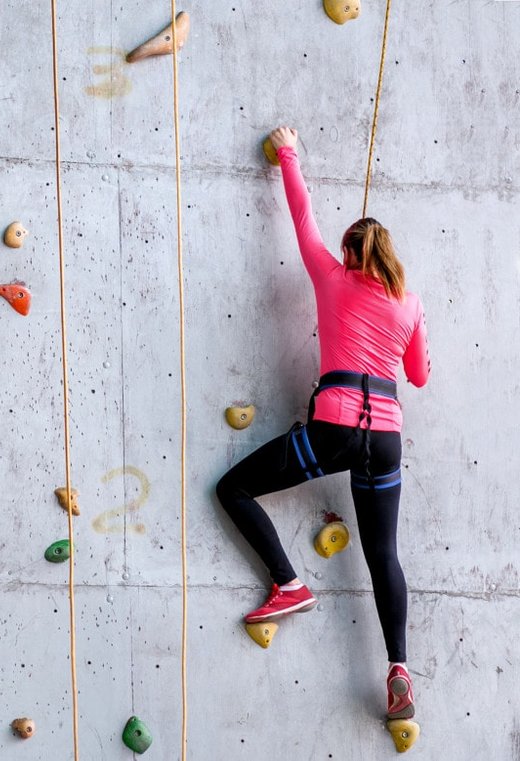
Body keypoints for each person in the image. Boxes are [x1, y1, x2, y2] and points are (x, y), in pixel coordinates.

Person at [215, 126, 430, 721]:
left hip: (335, 428)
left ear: (353, 255)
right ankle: (399, 669)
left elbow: (301, 214)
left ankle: (289, 584)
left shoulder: (333, 278)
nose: (339, 257)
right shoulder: (409, 302)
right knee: (383, 555)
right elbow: (420, 376)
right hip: (385, 440)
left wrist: (288, 150)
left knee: (232, 488)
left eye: (345, 251)